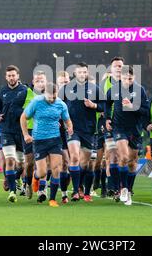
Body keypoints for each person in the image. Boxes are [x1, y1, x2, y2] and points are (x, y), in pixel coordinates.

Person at [20, 83, 74, 207]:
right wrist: (26, 135)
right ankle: (36, 176)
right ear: (45, 93)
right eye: (50, 97)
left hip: (55, 140)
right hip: (39, 140)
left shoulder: (61, 104)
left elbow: (67, 120)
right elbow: (23, 117)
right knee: (43, 172)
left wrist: (70, 127)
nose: (52, 99)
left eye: (54, 97)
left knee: (56, 169)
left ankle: (52, 199)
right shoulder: (36, 102)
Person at [59, 62, 104, 202]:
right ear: (75, 73)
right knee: (74, 157)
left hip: (89, 130)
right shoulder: (66, 88)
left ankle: (80, 187)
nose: (82, 74)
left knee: (84, 163)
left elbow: (104, 107)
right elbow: (57, 106)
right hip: (72, 128)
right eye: (80, 72)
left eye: (85, 72)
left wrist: (94, 105)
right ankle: (75, 191)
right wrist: (60, 120)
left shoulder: (94, 88)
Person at [105, 65, 149, 206]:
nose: (127, 80)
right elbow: (107, 104)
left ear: (133, 77)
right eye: (125, 77)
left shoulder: (140, 90)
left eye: (130, 78)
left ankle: (129, 190)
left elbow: (145, 111)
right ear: (120, 77)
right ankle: (123, 188)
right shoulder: (114, 89)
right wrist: (107, 118)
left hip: (135, 130)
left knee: (132, 162)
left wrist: (132, 106)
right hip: (119, 128)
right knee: (123, 157)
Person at [0, 65, 28, 203]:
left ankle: (15, 178)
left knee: (21, 164)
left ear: (18, 76)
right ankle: (12, 191)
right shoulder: (2, 91)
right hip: (6, 130)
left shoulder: (26, 90)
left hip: (21, 131)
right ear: (6, 77)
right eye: (9, 76)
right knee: (9, 160)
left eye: (13, 75)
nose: (11, 78)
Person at [100, 57, 123, 201]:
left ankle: (118, 185)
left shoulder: (129, 83)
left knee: (123, 156)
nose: (119, 68)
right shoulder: (104, 84)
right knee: (111, 154)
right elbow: (100, 102)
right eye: (116, 66)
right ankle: (112, 186)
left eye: (121, 66)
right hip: (107, 123)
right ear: (111, 68)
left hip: (124, 125)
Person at [22, 71, 46, 201]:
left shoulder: (51, 95)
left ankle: (42, 189)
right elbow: (19, 113)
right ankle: (28, 183)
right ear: (33, 82)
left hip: (45, 132)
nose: (40, 83)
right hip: (29, 131)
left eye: (42, 80)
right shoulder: (26, 93)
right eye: (37, 81)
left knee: (43, 161)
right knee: (30, 163)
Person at [56, 71, 72, 204]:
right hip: (58, 134)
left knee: (72, 163)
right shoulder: (53, 98)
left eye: (66, 82)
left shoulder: (74, 97)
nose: (64, 85)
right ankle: (64, 193)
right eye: (61, 83)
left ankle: (76, 188)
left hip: (72, 132)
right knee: (64, 162)